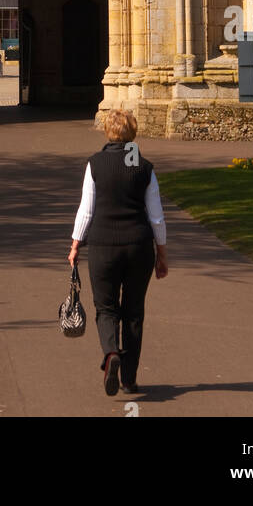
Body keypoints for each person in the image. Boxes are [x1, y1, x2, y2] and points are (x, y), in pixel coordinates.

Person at [68, 109, 167, 397]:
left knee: (106, 308)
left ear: (108, 133)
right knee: (133, 312)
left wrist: (75, 244)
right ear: (133, 134)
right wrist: (162, 253)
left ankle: (111, 353)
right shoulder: (145, 167)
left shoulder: (95, 164)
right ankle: (129, 378)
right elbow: (157, 216)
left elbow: (86, 210)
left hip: (103, 245)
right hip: (138, 246)